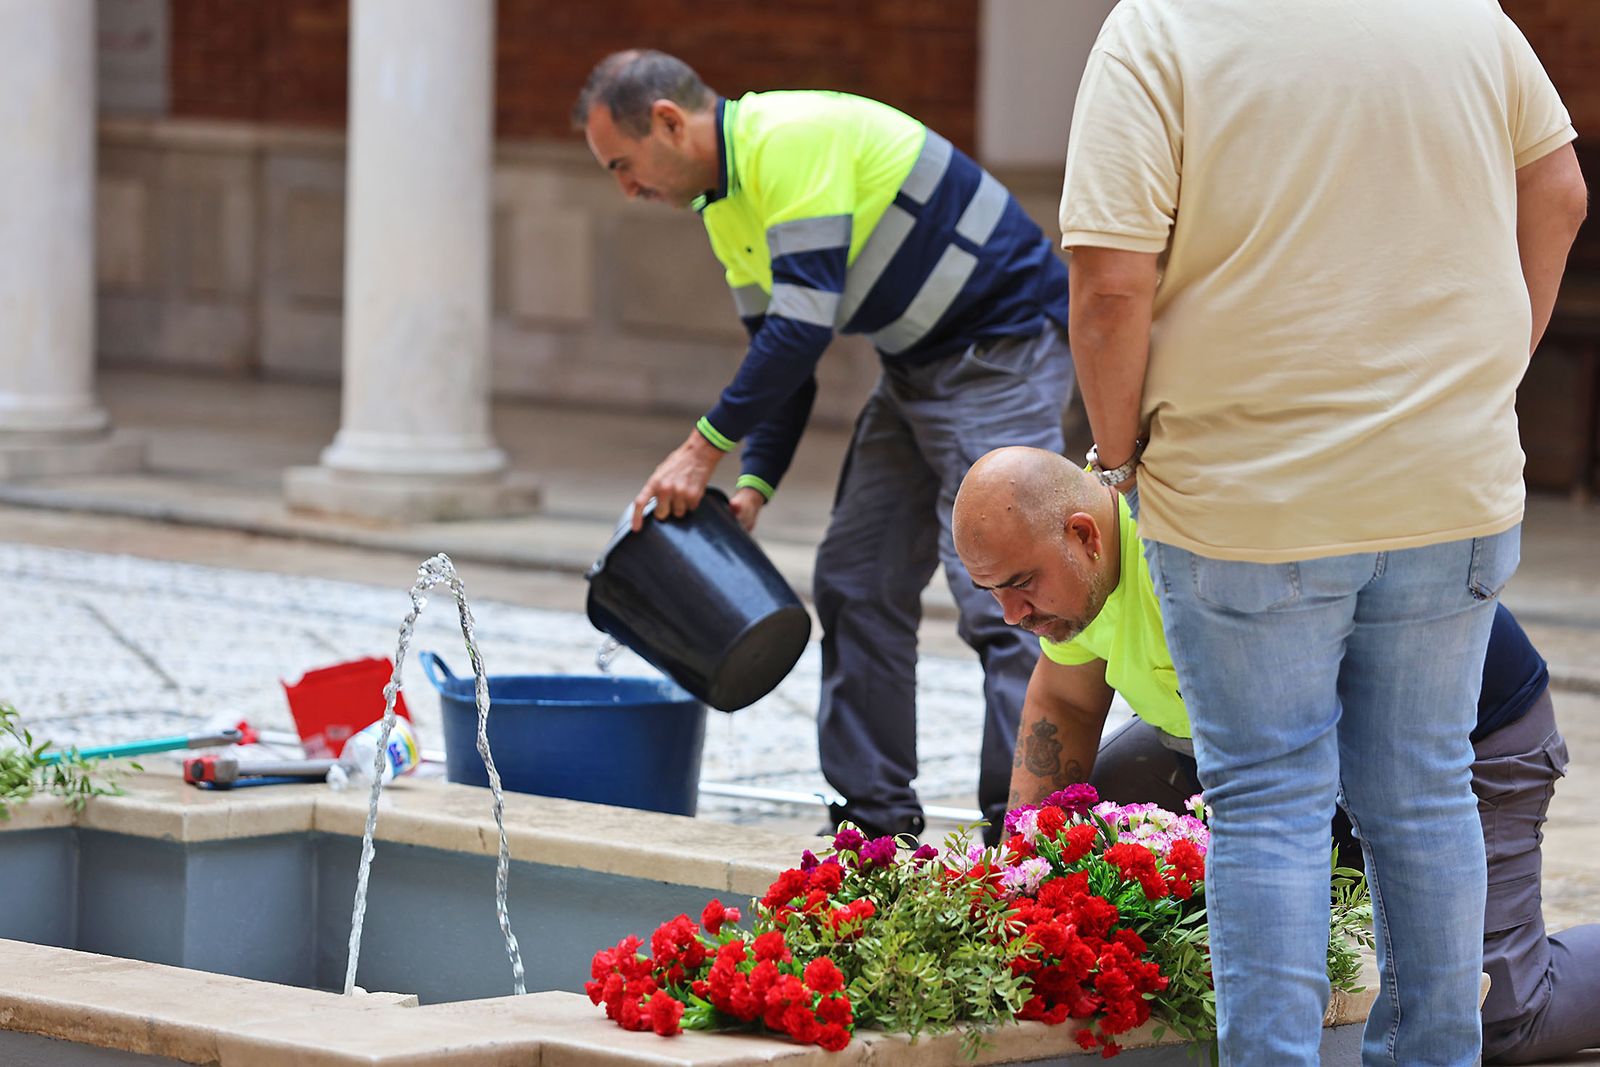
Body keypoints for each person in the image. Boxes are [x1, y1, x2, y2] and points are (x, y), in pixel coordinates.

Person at [1055, 2, 1587, 1061]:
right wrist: (1491, 375)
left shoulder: (1159, 30)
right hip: (1448, 481)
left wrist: (1117, 461)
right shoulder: (1462, 15)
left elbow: (1110, 285)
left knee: (1266, 807)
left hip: (1246, 497)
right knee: (1425, 790)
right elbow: (1560, 193)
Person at [952, 447, 1600, 1064]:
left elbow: (1290, 783)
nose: (1011, 613)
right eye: (993, 592)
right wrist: (1022, 878)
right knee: (1103, 815)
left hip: (1462, 740)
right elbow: (1064, 702)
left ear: (1085, 535)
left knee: (1499, 1010)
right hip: (1277, 742)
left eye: (1021, 584)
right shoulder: (1076, 578)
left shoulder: (1185, 548)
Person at [573, 51, 1076, 844]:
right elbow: (783, 357)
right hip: (916, 363)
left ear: (669, 122)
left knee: (1008, 595)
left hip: (1001, 349)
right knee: (854, 576)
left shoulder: (789, 141)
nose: (626, 190)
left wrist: (701, 449)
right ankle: (874, 826)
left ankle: (1028, 838)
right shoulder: (723, 205)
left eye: (624, 165)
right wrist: (756, 483)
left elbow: (800, 333)